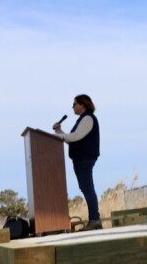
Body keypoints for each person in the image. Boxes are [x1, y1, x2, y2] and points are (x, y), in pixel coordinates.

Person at [53, 94, 101, 230]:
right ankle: (95, 220)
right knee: (86, 187)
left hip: (85, 158)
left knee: (87, 187)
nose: (72, 107)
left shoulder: (88, 118)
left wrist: (60, 135)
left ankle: (95, 220)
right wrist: (59, 132)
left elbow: (75, 137)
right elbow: (72, 139)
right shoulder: (82, 119)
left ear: (83, 104)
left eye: (74, 104)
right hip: (81, 158)